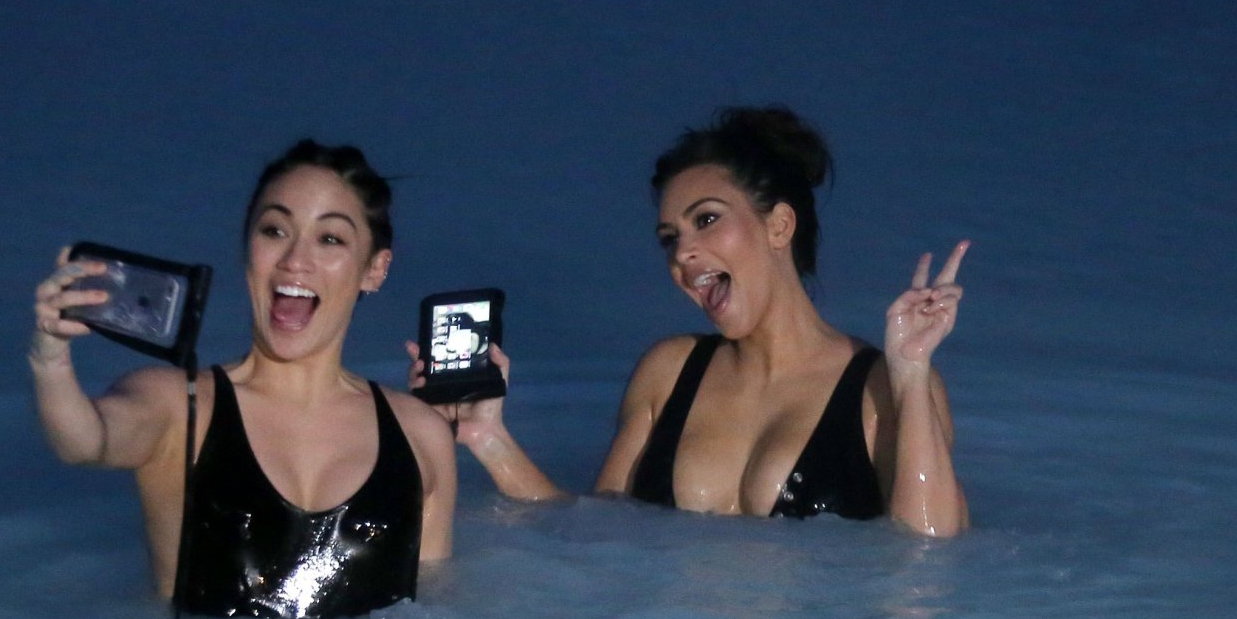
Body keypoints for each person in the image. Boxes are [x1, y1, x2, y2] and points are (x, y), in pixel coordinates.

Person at [414, 106, 968, 537]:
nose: (683, 253)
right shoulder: (668, 372)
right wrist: (488, 438)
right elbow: (594, 537)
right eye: (669, 239)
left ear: (779, 226)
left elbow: (929, 555)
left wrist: (911, 369)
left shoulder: (884, 388)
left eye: (706, 220)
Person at [31, 140, 456, 619]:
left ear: (374, 269)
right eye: (274, 230)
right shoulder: (179, 406)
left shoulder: (421, 434)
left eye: (330, 239)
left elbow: (435, 612)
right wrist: (50, 359)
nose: (295, 259)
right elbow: (85, 440)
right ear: (247, 247)